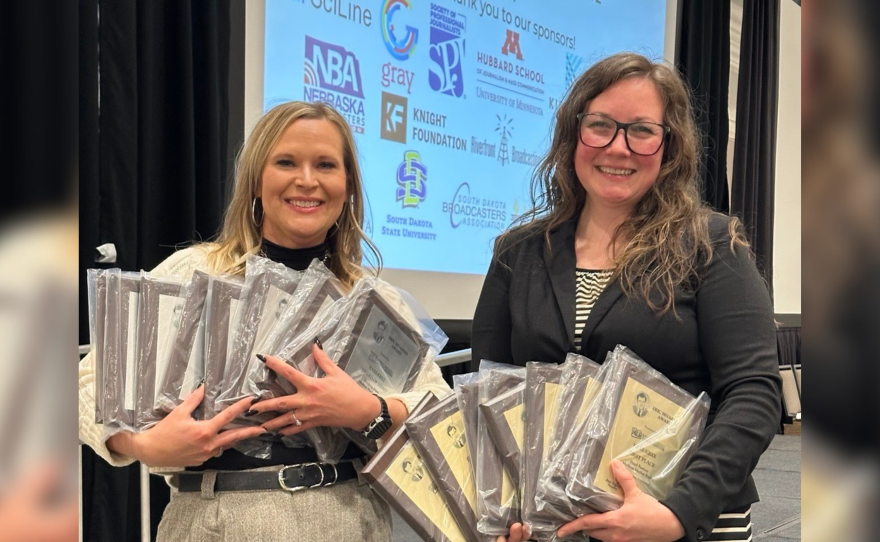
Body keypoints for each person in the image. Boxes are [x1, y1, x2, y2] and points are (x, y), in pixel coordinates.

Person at [78, 101, 452, 541]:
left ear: (348, 185)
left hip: (348, 521)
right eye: (286, 162)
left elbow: (440, 412)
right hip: (211, 521)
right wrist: (144, 445)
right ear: (256, 180)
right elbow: (87, 387)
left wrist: (368, 410)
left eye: (326, 165)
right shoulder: (194, 273)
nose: (307, 180)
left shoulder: (374, 299)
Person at [472, 53, 781, 542]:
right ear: (574, 135)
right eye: (600, 125)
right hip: (553, 524)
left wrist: (679, 512)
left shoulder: (712, 245)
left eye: (641, 130)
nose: (618, 148)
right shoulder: (519, 252)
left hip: (682, 521)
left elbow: (753, 392)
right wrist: (503, 507)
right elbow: (489, 391)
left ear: (668, 146)